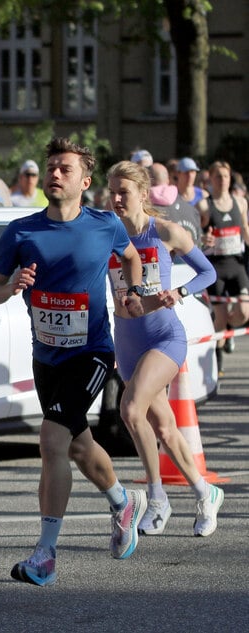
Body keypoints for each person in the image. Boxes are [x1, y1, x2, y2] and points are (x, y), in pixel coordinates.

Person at [0, 137, 148, 587]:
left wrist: (132, 291)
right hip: (47, 357)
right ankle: (123, 503)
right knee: (77, 445)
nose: (55, 174)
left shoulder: (105, 224)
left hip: (91, 352)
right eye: (51, 167)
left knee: (52, 439)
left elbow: (131, 257)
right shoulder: (21, 231)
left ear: (84, 182)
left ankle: (46, 554)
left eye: (65, 168)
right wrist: (13, 285)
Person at [105, 160, 223, 537]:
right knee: (166, 430)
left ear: (143, 193)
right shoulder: (107, 235)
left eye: (124, 192)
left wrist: (180, 291)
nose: (117, 199)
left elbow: (208, 272)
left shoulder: (165, 231)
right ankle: (205, 492)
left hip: (164, 338)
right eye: (112, 192)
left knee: (130, 409)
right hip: (128, 341)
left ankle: (157, 498)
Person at [200, 160, 249, 373]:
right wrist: (204, 239)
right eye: (218, 176)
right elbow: (197, 235)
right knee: (219, 320)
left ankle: (229, 328)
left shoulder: (241, 202)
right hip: (216, 267)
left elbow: (245, 229)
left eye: (226, 176)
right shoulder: (204, 205)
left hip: (236, 264)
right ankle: (218, 361)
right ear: (211, 179)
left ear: (231, 178)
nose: (222, 180)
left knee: (244, 313)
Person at [148, 162, 201, 245]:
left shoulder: (146, 212)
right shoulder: (192, 210)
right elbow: (199, 243)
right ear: (168, 179)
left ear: (147, 180)